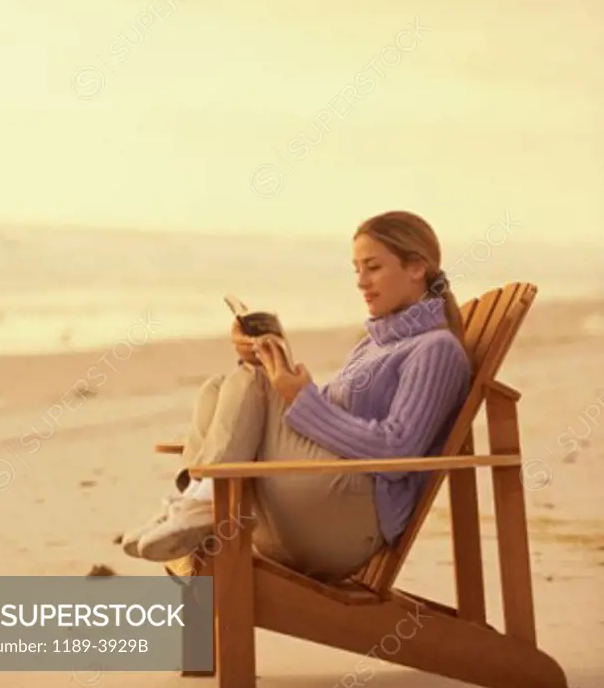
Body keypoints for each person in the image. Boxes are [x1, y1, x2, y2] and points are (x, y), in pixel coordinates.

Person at [121, 211, 472, 582]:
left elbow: (398, 449)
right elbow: (333, 420)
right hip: (316, 504)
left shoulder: (436, 349)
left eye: (372, 268)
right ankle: (196, 497)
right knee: (220, 385)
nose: (361, 282)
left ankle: (203, 504)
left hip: (348, 522)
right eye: (356, 270)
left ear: (416, 267)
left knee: (255, 380)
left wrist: (299, 398)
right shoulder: (374, 344)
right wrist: (287, 379)